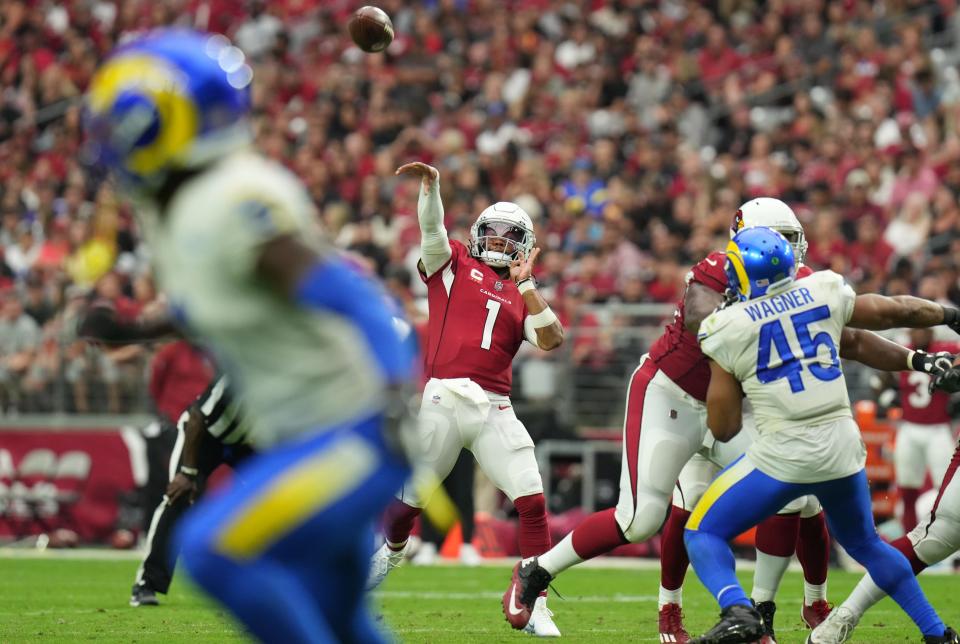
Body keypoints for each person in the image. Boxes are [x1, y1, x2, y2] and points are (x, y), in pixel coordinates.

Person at [85, 30, 415, 643]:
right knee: (342, 620)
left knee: (215, 549)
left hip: (351, 431)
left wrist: (396, 389)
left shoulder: (230, 199)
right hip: (310, 434)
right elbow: (214, 302)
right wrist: (136, 327)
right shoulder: (185, 207)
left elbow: (350, 294)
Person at [502, 199, 951, 640]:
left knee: (796, 499)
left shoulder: (800, 281)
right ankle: (536, 570)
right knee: (640, 519)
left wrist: (916, 360)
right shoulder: (715, 275)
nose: (791, 252)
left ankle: (761, 613)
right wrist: (754, 308)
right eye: (779, 240)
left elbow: (850, 338)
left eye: (793, 240)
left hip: (732, 409)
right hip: (672, 396)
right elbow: (702, 322)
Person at [684, 226, 959, 644]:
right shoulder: (823, 288)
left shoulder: (727, 326)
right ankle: (937, 634)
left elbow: (725, 427)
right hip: (842, 446)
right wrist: (951, 316)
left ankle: (740, 610)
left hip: (786, 452)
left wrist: (739, 372)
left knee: (702, 532)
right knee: (867, 544)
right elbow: (893, 311)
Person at [367, 162, 564, 637]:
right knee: (408, 501)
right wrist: (431, 189)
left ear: (524, 245)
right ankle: (387, 556)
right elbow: (430, 228)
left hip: (495, 405)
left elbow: (552, 339)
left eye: (506, 235)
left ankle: (532, 598)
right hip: (443, 397)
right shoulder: (453, 264)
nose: (496, 242)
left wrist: (527, 284)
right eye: (490, 233)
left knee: (531, 497)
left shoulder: (524, 294)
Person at [131, 373, 254, 606]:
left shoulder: (287, 381)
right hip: (203, 437)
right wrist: (188, 473)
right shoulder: (236, 374)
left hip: (245, 444)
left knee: (273, 501)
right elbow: (198, 416)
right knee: (179, 496)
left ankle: (265, 585)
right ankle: (147, 583)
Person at [892, 327, 960, 532]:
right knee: (907, 489)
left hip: (938, 428)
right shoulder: (903, 351)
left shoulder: (944, 349)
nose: (916, 334)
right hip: (909, 427)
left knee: (947, 490)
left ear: (931, 333)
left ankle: (943, 537)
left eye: (921, 330)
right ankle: (908, 538)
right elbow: (884, 372)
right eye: (913, 330)